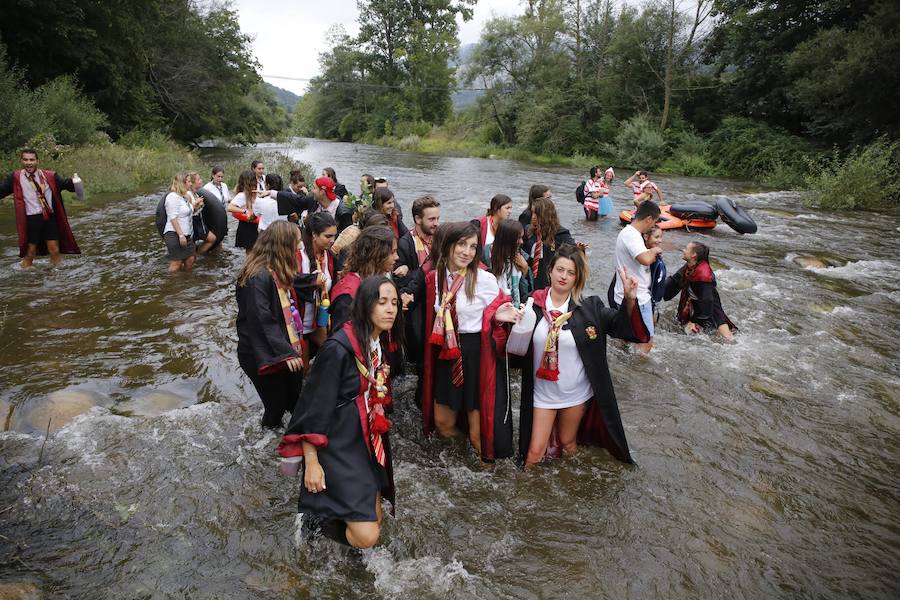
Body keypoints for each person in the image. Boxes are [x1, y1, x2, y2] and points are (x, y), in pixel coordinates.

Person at [278, 275, 402, 548]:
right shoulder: (338, 350)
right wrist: (312, 463)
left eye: (394, 303)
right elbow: (312, 408)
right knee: (367, 536)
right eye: (382, 302)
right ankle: (317, 521)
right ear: (366, 305)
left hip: (366, 438)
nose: (390, 309)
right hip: (338, 445)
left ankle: (334, 519)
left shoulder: (374, 342)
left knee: (377, 518)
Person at [514, 245, 650, 467]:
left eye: (571, 272)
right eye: (560, 270)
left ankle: (572, 481)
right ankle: (527, 487)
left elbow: (622, 329)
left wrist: (629, 300)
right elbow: (512, 349)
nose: (564, 276)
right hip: (542, 392)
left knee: (568, 444)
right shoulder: (531, 304)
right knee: (534, 454)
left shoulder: (589, 308)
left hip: (575, 392)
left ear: (577, 278)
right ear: (550, 271)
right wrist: (509, 321)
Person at [412, 222, 520, 462]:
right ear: (448, 245)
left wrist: (500, 315)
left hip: (476, 355)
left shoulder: (484, 279)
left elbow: (499, 307)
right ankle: (459, 461)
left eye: (473, 247)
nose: (467, 252)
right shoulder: (436, 277)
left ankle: (486, 469)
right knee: (443, 424)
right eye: (462, 244)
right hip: (447, 352)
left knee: (478, 434)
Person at [236, 221, 314, 428]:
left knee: (295, 398)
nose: (300, 247)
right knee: (276, 406)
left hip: (282, 347)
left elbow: (296, 281)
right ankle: (269, 438)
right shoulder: (256, 278)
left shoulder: (276, 270)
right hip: (260, 351)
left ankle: (293, 435)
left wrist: (313, 281)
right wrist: (285, 353)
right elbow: (261, 319)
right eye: (297, 242)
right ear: (283, 245)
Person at [0, 148, 84, 268]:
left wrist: (74, 182)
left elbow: (66, 185)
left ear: (37, 161)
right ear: (22, 161)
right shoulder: (16, 177)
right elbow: (2, 190)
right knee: (30, 253)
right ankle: (25, 276)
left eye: (32, 160)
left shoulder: (50, 176)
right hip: (31, 219)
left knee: (54, 250)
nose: (29, 163)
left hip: (50, 217)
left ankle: (56, 275)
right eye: (25, 160)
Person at [613, 200, 662, 352]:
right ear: (648, 219)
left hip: (628, 295)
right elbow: (645, 259)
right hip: (637, 298)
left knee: (627, 338)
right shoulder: (631, 235)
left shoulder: (630, 233)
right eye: (654, 222)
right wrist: (654, 251)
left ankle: (625, 363)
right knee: (646, 340)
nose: (653, 226)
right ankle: (640, 365)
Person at [331, 226, 398, 332]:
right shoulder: (348, 293)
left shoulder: (376, 281)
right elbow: (343, 336)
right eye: (392, 252)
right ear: (377, 254)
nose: (397, 257)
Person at [663, 242, 736, 339]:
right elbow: (675, 281)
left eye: (686, 249)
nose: (683, 250)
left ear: (693, 255)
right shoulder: (690, 266)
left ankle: (731, 342)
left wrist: (696, 321)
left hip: (709, 305)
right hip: (697, 302)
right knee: (705, 330)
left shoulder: (703, 274)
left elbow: (706, 301)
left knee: (722, 328)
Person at [298, 212, 339, 354]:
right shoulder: (298, 254)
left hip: (320, 321)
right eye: (328, 236)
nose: (332, 240)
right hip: (299, 325)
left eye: (334, 236)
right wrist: (311, 282)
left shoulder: (329, 256)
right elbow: (289, 282)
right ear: (314, 235)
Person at [608, 224, 666, 326]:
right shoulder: (637, 253)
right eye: (656, 237)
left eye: (661, 237)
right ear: (646, 237)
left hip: (646, 298)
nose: (660, 241)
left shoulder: (655, 257)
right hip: (629, 298)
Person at [526, 197, 577, 290]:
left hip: (547, 279)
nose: (533, 217)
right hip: (530, 278)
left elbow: (573, 253)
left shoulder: (560, 234)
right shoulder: (529, 231)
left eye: (536, 214)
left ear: (545, 215)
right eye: (532, 213)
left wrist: (579, 250)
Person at [394, 195, 440, 288]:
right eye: (431, 219)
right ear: (418, 219)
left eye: (438, 218)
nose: (436, 223)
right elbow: (400, 281)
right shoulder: (405, 244)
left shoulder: (440, 238)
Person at [485, 219, 533, 307]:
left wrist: (525, 270)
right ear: (507, 239)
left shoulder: (521, 257)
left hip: (515, 308)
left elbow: (525, 294)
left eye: (522, 237)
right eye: (518, 238)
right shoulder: (486, 256)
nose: (521, 242)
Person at [162, 172, 201, 273]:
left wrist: (195, 206)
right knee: (177, 263)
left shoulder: (184, 197)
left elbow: (187, 212)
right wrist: (181, 235)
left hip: (186, 234)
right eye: (188, 181)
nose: (191, 184)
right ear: (182, 183)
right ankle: (172, 280)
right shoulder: (172, 197)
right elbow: (173, 217)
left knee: (190, 259)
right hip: (174, 234)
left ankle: (185, 279)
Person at [227, 170, 260, 252]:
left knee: (256, 252)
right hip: (247, 227)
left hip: (255, 224)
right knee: (251, 252)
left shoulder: (254, 193)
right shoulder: (242, 195)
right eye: (254, 179)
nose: (256, 181)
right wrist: (245, 211)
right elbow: (230, 207)